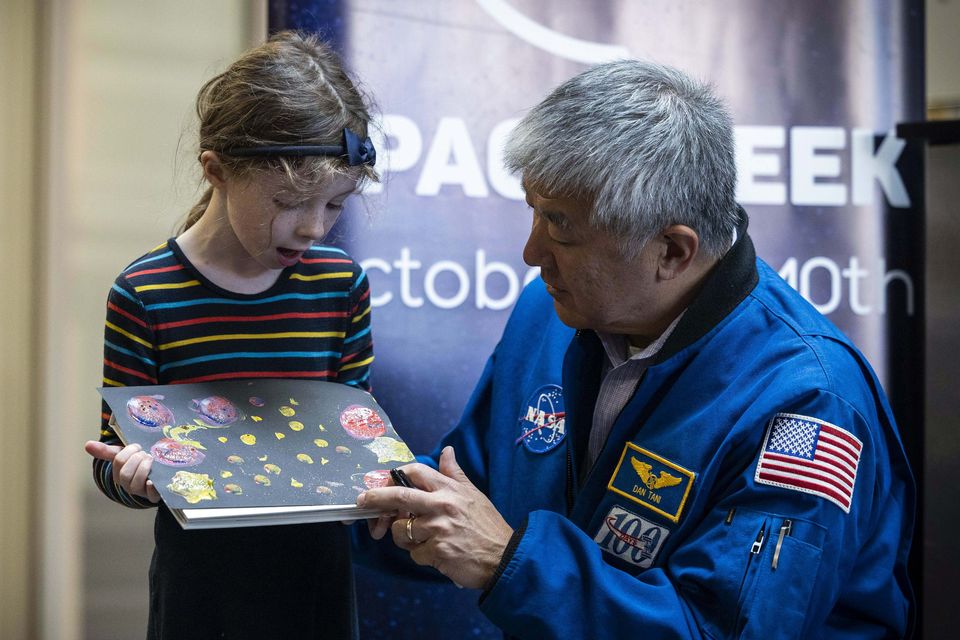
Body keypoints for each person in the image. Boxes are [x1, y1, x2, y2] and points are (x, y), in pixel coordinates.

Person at [355, 60, 915, 638]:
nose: (531, 252)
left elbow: (723, 629)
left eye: (561, 228)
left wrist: (509, 564)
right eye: (533, 212)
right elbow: (471, 494)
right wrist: (336, 495)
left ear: (671, 252)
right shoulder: (548, 314)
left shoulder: (808, 404)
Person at [84, 31, 378, 639]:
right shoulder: (145, 293)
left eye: (335, 204)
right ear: (216, 170)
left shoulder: (340, 285)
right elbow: (114, 459)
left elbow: (356, 433)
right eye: (290, 201)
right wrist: (133, 476)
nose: (314, 228)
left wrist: (383, 479)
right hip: (201, 590)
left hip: (315, 582)